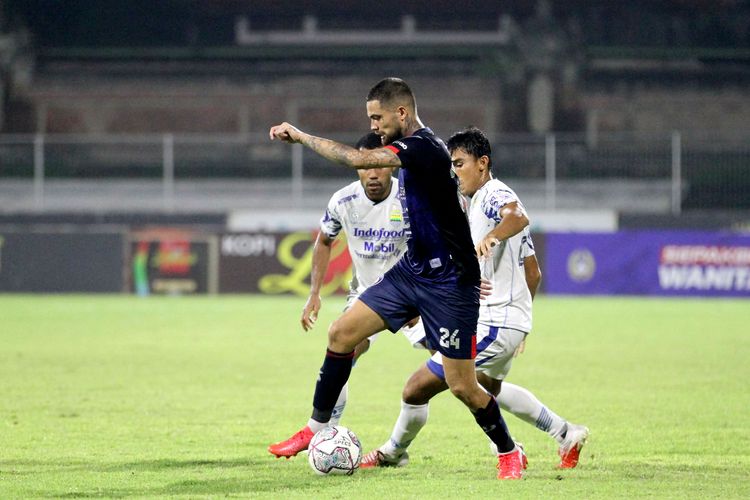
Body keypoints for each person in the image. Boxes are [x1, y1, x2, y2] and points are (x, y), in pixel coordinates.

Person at [268, 78, 525, 479]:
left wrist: (301, 137)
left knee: (463, 385)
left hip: (451, 284)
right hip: (411, 272)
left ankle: (509, 451)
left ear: (401, 113)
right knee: (340, 334)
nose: (374, 125)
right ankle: (316, 428)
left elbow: (358, 159)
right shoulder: (408, 154)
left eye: (377, 117)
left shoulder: (423, 146)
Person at [360, 127, 589, 470]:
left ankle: (394, 452)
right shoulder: (474, 204)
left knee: (416, 388)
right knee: (488, 388)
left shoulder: (495, 194)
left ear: (483, 164)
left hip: (494, 323)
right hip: (501, 321)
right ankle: (565, 432)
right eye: (451, 165)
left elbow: (517, 216)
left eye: (460, 163)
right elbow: (533, 273)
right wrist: (522, 322)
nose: (455, 172)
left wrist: (492, 239)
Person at [296, 131, 426, 428]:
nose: (373, 173)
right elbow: (325, 241)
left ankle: (503, 445)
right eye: (365, 166)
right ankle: (325, 432)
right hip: (368, 296)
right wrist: (314, 293)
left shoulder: (411, 197)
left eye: (379, 164)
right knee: (343, 353)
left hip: (414, 296)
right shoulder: (343, 200)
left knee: (455, 370)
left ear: (393, 164)